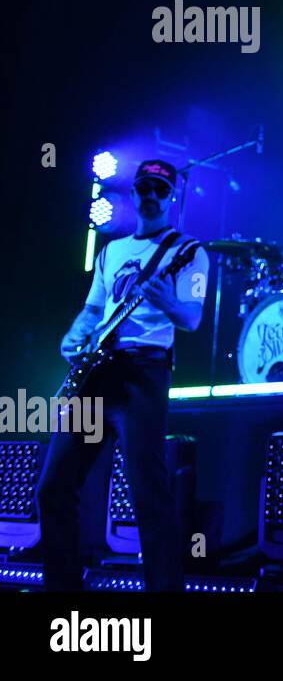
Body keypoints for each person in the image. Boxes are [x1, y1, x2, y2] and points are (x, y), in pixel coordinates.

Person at [38, 159, 208, 591]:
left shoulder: (189, 252)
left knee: (147, 494)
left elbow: (191, 318)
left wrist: (168, 301)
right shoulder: (111, 251)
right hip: (98, 372)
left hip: (144, 373)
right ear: (133, 194)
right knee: (53, 487)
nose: (151, 195)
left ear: (172, 197)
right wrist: (72, 338)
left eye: (160, 189)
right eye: (144, 188)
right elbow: (93, 310)